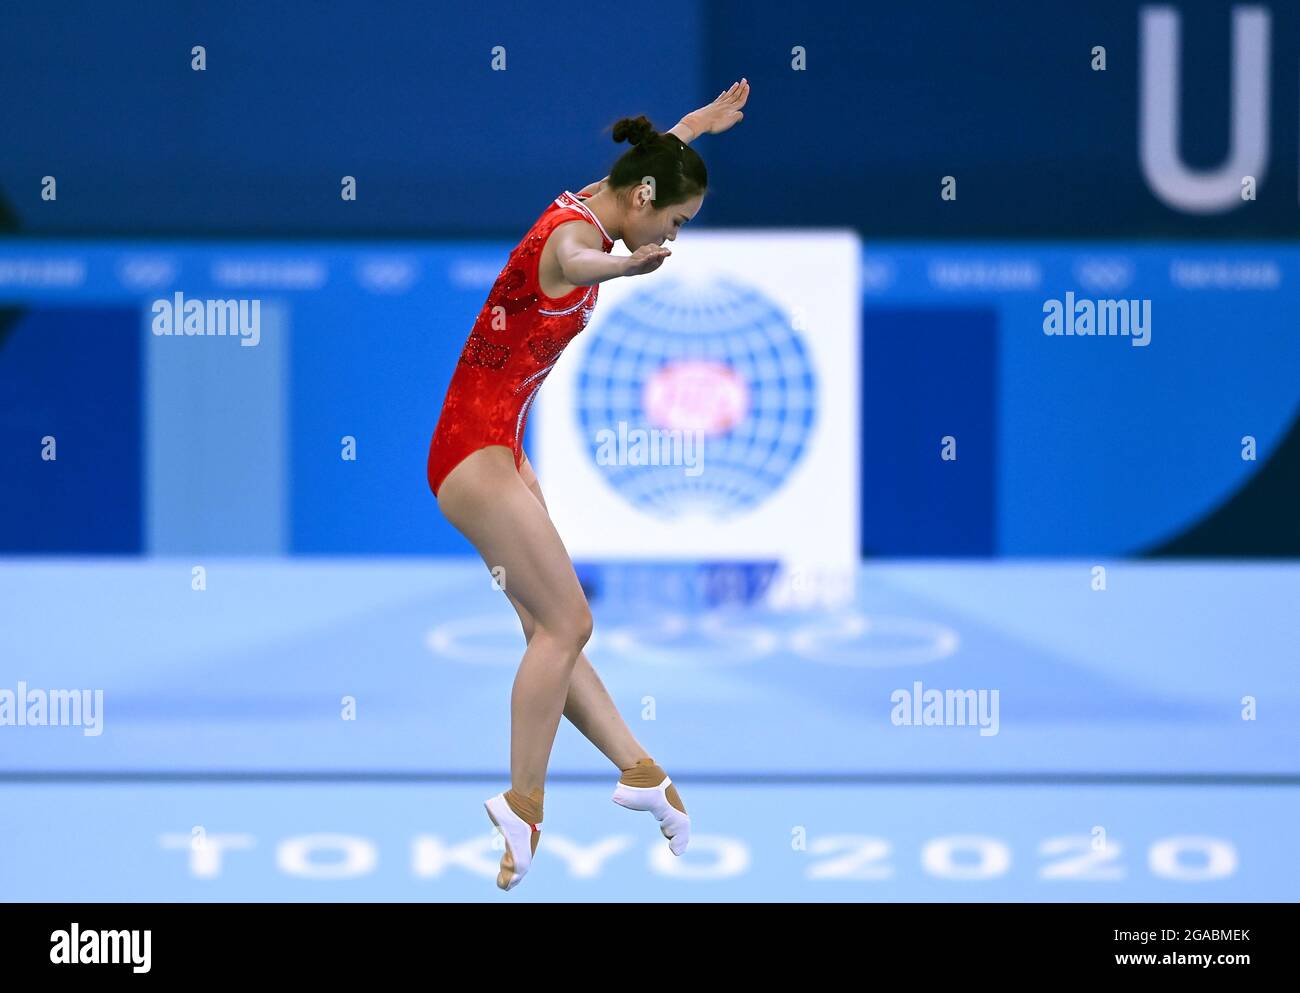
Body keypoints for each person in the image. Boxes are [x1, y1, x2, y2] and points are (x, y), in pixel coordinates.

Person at [427, 80, 750, 890]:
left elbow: (646, 172)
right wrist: (625, 267)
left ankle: (641, 773)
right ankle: (522, 803)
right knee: (569, 620)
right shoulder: (580, 239)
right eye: (675, 221)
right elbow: (574, 260)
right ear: (645, 203)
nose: (673, 232)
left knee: (550, 631)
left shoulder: (609, 195)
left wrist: (693, 128)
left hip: (497, 447)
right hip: (472, 455)